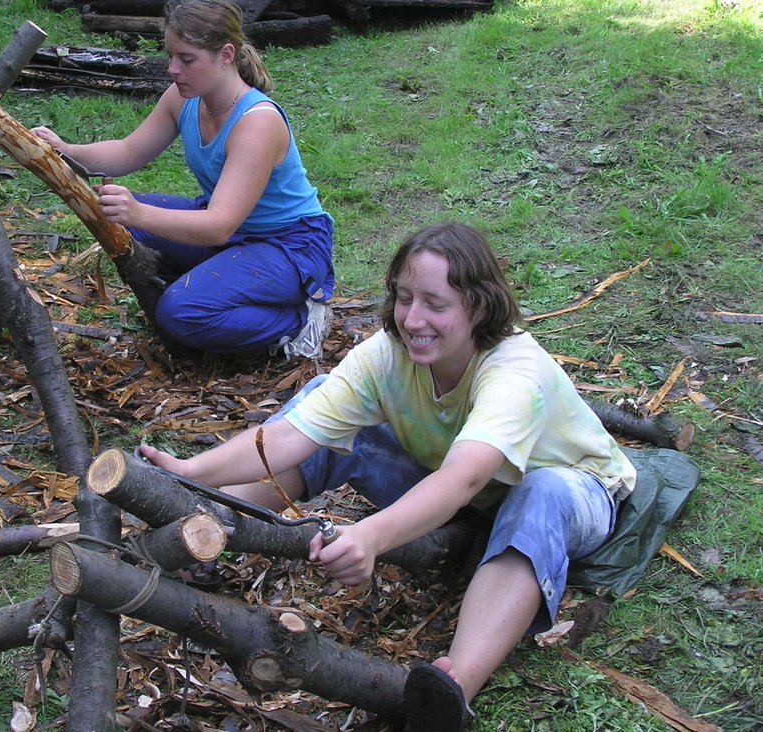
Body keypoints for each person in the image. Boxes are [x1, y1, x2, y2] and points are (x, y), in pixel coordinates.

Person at [139, 221, 637, 730]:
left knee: (540, 491)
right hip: (466, 492)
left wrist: (370, 536)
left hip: (571, 492)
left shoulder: (514, 372)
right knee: (324, 409)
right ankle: (204, 528)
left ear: (479, 307)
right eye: (404, 298)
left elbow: (463, 479)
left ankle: (454, 687)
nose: (413, 318)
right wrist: (190, 471)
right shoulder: (388, 353)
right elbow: (293, 434)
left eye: (435, 304)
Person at [32, 0, 334, 358]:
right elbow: (129, 151)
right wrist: (65, 149)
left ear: (225, 54)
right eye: (171, 56)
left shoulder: (257, 122)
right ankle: (215, 298)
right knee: (116, 218)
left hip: (289, 247)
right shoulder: (184, 98)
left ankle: (298, 320)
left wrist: (138, 213)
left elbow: (219, 225)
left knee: (180, 312)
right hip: (236, 235)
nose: (172, 69)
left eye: (186, 59)